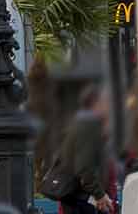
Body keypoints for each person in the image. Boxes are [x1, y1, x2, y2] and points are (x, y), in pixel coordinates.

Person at [43, 86, 114, 214]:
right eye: (105, 103)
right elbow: (85, 166)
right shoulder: (88, 126)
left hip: (76, 196)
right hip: (80, 198)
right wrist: (99, 195)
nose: (108, 107)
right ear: (95, 104)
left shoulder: (80, 123)